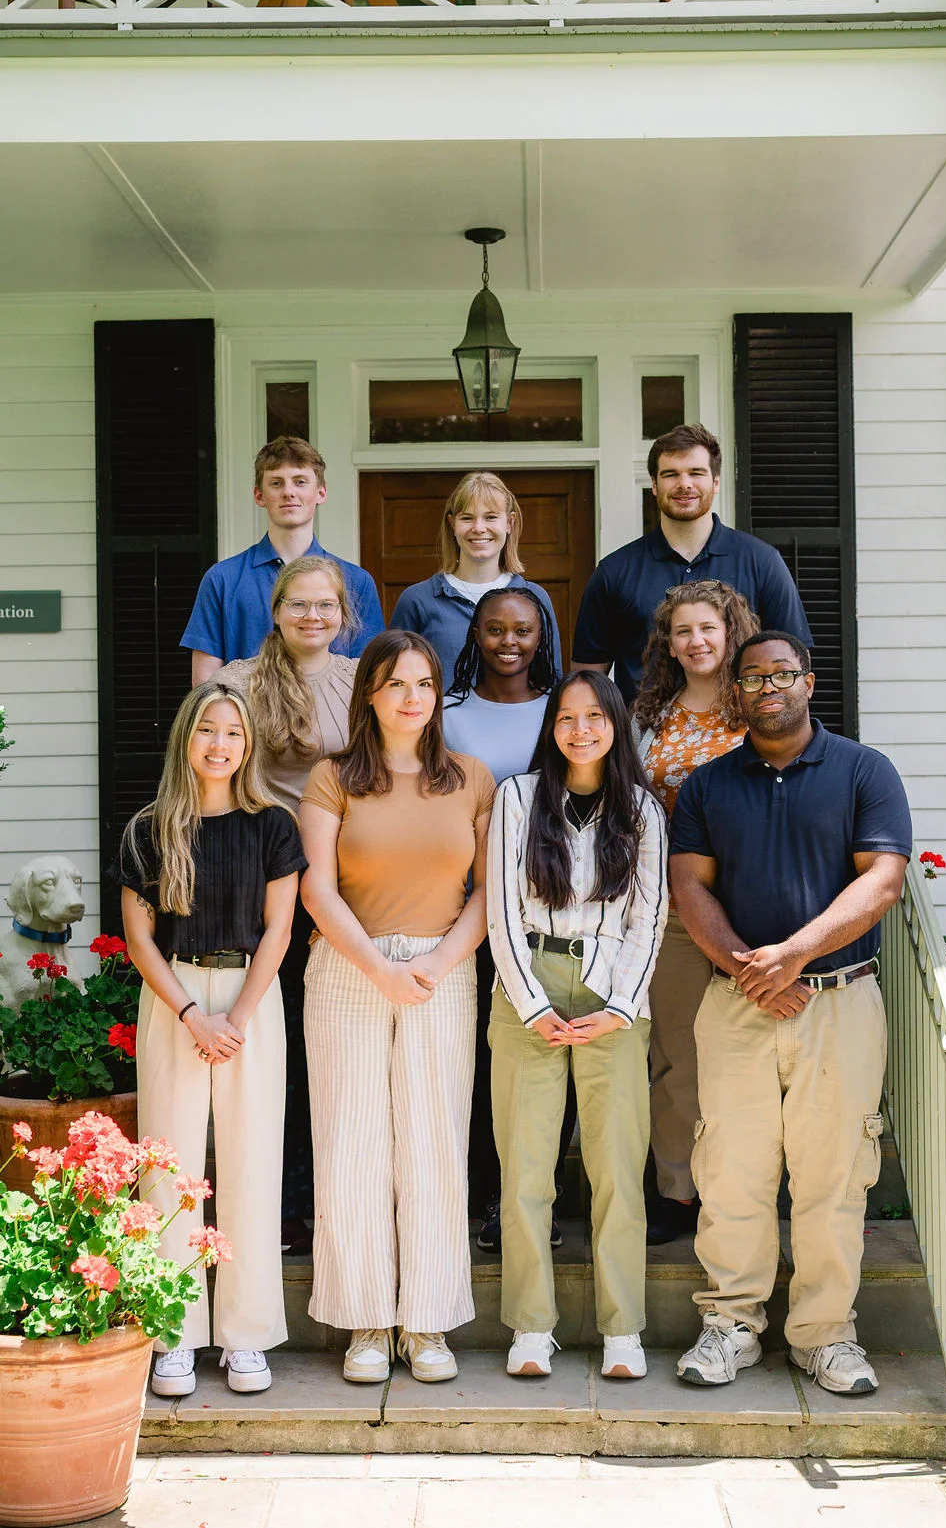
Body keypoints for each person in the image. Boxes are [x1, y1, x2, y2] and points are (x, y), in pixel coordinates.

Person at [670, 632, 911, 1396]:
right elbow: (689, 887)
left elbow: (881, 882)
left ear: (808, 680)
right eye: (752, 677)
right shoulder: (709, 785)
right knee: (731, 1168)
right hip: (736, 1001)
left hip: (839, 1002)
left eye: (781, 673)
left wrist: (794, 955)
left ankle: (824, 1335)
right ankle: (733, 1324)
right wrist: (752, 966)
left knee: (833, 1172)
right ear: (735, 691)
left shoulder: (864, 771)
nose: (767, 686)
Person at [300, 630, 494, 1386]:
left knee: (433, 1141)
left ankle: (429, 1320)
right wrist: (380, 965)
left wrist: (439, 961)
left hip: (444, 970)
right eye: (394, 683)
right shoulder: (333, 778)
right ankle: (367, 1322)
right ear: (370, 696)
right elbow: (317, 889)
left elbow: (487, 890)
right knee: (352, 1142)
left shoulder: (470, 778)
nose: (411, 696)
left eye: (423, 682)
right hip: (351, 966)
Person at [119, 682, 306, 1400]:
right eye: (206, 730)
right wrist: (194, 1012)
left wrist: (237, 1015)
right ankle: (173, 1331)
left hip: (252, 1000)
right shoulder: (149, 828)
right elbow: (140, 937)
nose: (220, 743)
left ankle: (246, 1334)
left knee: (251, 1164)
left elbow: (280, 929)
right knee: (168, 1167)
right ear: (186, 741)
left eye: (232, 731)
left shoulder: (272, 825)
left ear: (248, 743)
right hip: (176, 998)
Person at [487, 672, 667, 1381]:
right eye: (567, 716)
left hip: (613, 988)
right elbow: (499, 908)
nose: (581, 729)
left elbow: (649, 915)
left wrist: (618, 1005)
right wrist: (532, 1003)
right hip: (526, 980)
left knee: (617, 1169)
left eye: (595, 716)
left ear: (616, 723)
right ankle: (531, 1325)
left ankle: (623, 1328)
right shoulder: (516, 799)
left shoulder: (643, 810)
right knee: (526, 1167)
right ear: (552, 725)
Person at [219, 555, 357, 1257]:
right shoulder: (236, 682)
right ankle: (276, 1204)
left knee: (327, 1046)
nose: (312, 616)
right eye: (298, 604)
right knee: (274, 1044)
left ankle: (332, 1196)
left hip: (342, 883)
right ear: (275, 611)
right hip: (261, 880)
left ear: (344, 612)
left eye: (325, 606)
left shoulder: (364, 680)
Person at [631, 581, 759, 1247]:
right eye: (682, 631)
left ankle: (745, 1186)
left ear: (730, 630)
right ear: (668, 642)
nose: (697, 641)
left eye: (708, 627)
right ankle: (677, 1189)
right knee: (675, 1051)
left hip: (750, 907)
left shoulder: (759, 708)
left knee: (750, 1052)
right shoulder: (650, 715)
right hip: (673, 909)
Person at [442, 586, 562, 1244]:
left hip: (551, 908)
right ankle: (487, 1197)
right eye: (494, 629)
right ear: (476, 636)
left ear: (541, 635)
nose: (508, 642)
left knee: (541, 1058)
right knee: (484, 1059)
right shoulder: (449, 713)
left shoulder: (559, 710)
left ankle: (536, 1197)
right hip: (468, 909)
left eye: (522, 630)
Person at [572, 423, 811, 707]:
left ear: (716, 481)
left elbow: (794, 664)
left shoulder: (762, 562)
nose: (684, 484)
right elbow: (587, 678)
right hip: (643, 741)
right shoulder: (614, 572)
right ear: (654, 484)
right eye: (671, 474)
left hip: (743, 737)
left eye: (696, 473)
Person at [181, 435, 384, 684]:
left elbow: (370, 677)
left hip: (333, 720)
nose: (288, 492)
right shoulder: (222, 579)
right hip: (247, 719)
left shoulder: (356, 581)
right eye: (276, 483)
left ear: (320, 492)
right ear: (259, 495)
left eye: (300, 482)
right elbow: (205, 686)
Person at [390, 471, 562, 690]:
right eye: (467, 517)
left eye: (491, 517)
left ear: (509, 522)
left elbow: (551, 681)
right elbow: (394, 680)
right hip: (441, 724)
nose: (479, 528)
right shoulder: (418, 600)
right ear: (452, 524)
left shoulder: (535, 598)